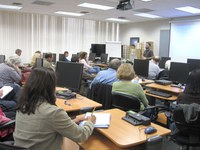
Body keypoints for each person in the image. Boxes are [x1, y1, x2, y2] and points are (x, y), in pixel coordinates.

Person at [14, 67, 96, 150]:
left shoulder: (23, 105)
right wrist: (90, 122)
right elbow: (81, 135)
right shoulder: (54, 112)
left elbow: (46, 125)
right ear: (51, 87)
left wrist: (74, 121)